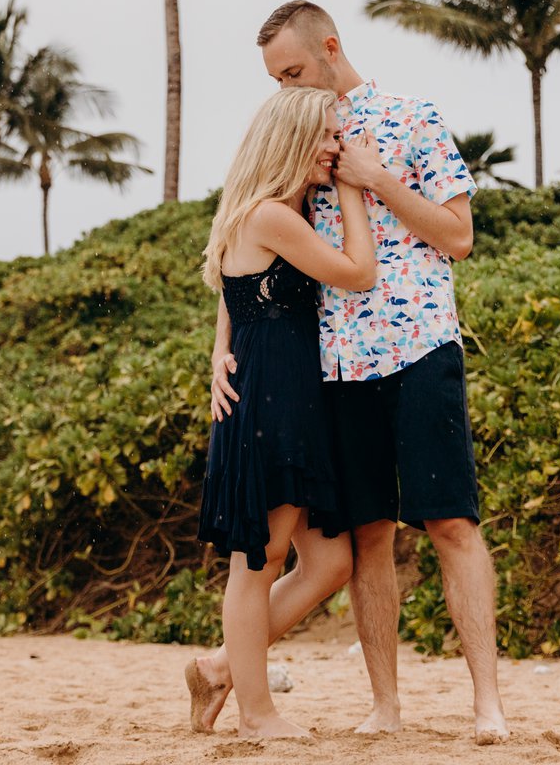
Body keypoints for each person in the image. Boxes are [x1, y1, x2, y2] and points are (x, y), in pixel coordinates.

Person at [196, 0, 510, 746]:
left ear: (331, 48)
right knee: (366, 539)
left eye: (292, 71)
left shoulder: (412, 118)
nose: (284, 87)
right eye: (275, 78)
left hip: (419, 346)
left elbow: (459, 236)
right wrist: (221, 344)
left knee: (452, 523)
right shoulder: (298, 134)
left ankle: (488, 706)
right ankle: (384, 708)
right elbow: (249, 243)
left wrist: (374, 179)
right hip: (331, 369)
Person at [187, 85, 379, 739]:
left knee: (329, 564)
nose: (335, 146)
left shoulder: (272, 212)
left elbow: (231, 292)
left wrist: (219, 347)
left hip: (290, 392)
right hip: (274, 397)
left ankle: (219, 668)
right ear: (293, 139)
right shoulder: (272, 215)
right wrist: (353, 188)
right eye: (327, 135)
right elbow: (358, 272)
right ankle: (256, 714)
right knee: (259, 560)